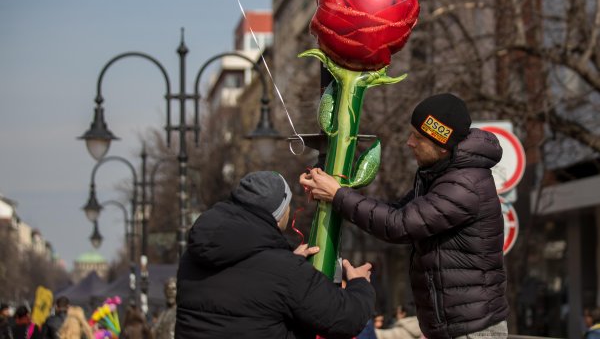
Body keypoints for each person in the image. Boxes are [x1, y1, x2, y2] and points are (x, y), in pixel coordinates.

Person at [300, 93, 509, 339]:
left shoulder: (464, 185)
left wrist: (338, 195)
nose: (410, 142)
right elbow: (396, 210)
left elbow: (399, 225)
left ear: (441, 145)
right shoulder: (441, 174)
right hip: (452, 327)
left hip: (471, 331)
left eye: (418, 137)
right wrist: (334, 196)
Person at [175, 170, 375, 339]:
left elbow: (244, 290)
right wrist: (360, 285)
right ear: (280, 213)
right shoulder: (284, 272)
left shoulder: (192, 256)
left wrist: (285, 260)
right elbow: (343, 318)